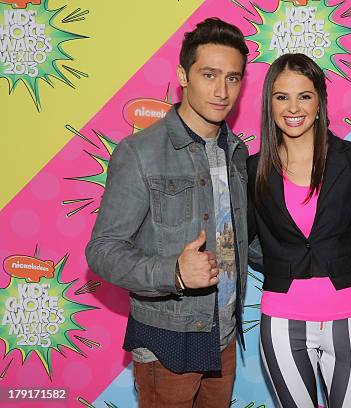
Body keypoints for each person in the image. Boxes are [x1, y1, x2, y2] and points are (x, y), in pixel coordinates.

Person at [85, 18, 250, 408]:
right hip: (167, 342)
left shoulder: (236, 151)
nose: (222, 90)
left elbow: (238, 238)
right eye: (209, 74)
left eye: (233, 78)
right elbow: (102, 251)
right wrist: (173, 272)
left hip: (223, 337)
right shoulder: (139, 152)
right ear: (183, 76)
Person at [247, 53, 351, 408]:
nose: (293, 107)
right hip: (282, 320)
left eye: (304, 95)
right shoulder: (254, 169)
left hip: (349, 317)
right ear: (269, 103)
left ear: (320, 101)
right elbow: (243, 239)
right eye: (281, 96)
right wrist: (278, 260)